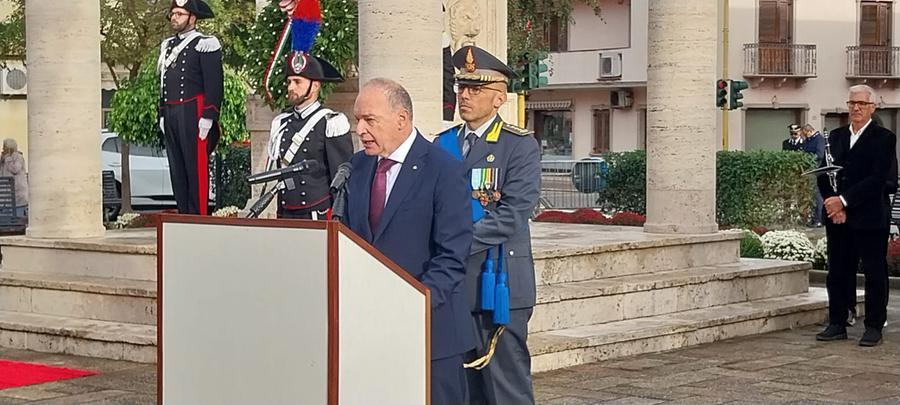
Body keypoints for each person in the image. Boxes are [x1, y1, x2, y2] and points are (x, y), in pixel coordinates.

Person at [342, 78, 474, 404]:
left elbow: (452, 255)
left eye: (369, 120)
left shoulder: (443, 170)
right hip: (371, 330)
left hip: (431, 332)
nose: (360, 129)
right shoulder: (356, 168)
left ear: (401, 119)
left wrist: (410, 306)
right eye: (357, 119)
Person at [435, 45, 541, 405]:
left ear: (499, 98)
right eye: (461, 87)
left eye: (475, 89)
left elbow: (513, 213)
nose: (464, 95)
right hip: (452, 287)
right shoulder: (443, 144)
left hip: (498, 285)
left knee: (504, 389)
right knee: (461, 391)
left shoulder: (518, 146)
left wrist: (454, 243)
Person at [816, 84, 898, 347]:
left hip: (870, 216)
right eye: (852, 103)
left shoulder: (884, 138)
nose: (856, 108)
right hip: (837, 217)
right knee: (838, 271)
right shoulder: (836, 136)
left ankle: (873, 326)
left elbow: (877, 179)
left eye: (862, 104)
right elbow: (824, 172)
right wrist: (832, 204)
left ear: (872, 107)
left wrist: (843, 201)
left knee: (874, 272)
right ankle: (837, 322)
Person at [265, 51, 353, 219]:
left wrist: (339, 220)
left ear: (315, 86)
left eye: (297, 82)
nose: (291, 87)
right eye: (289, 81)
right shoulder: (281, 123)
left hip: (317, 215)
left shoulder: (331, 122)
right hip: (287, 214)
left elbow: (341, 177)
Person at [157, 0, 223, 215]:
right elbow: (162, 83)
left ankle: (199, 216)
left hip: (193, 111)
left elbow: (214, 83)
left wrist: (209, 115)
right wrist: (162, 112)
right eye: (173, 13)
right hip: (171, 111)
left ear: (192, 18)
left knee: (195, 167)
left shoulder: (205, 43)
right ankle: (184, 212)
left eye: (179, 14)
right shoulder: (167, 46)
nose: (174, 17)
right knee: (177, 167)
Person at [803, 124, 825, 227]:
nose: (805, 137)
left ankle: (819, 219)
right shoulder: (808, 140)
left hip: (816, 170)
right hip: (809, 170)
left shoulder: (819, 139)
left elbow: (820, 154)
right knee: (811, 196)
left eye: (805, 134)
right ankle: (813, 219)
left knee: (817, 196)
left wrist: (809, 159)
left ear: (809, 131)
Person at [0, 139, 27, 217]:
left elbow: (15, 169)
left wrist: (8, 159)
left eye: (4, 147)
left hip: (17, 191)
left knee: (17, 214)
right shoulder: (4, 158)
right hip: (6, 193)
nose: (3, 149)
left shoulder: (18, 157)